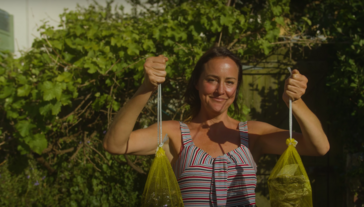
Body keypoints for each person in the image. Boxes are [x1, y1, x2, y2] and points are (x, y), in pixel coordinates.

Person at [103, 47, 329, 206]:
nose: (221, 90)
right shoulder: (173, 132)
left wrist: (296, 103)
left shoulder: (252, 133)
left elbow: (318, 147)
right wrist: (147, 87)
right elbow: (114, 144)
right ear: (197, 83)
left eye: (230, 82)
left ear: (236, 87)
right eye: (212, 80)